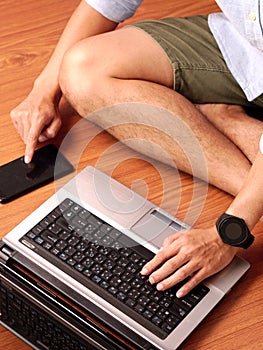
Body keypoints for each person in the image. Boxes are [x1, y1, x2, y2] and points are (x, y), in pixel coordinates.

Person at [10, 0, 263, 298]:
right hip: (243, 46)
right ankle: (249, 184)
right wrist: (42, 92)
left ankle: (227, 122)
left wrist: (228, 233)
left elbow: (227, 236)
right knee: (82, 69)